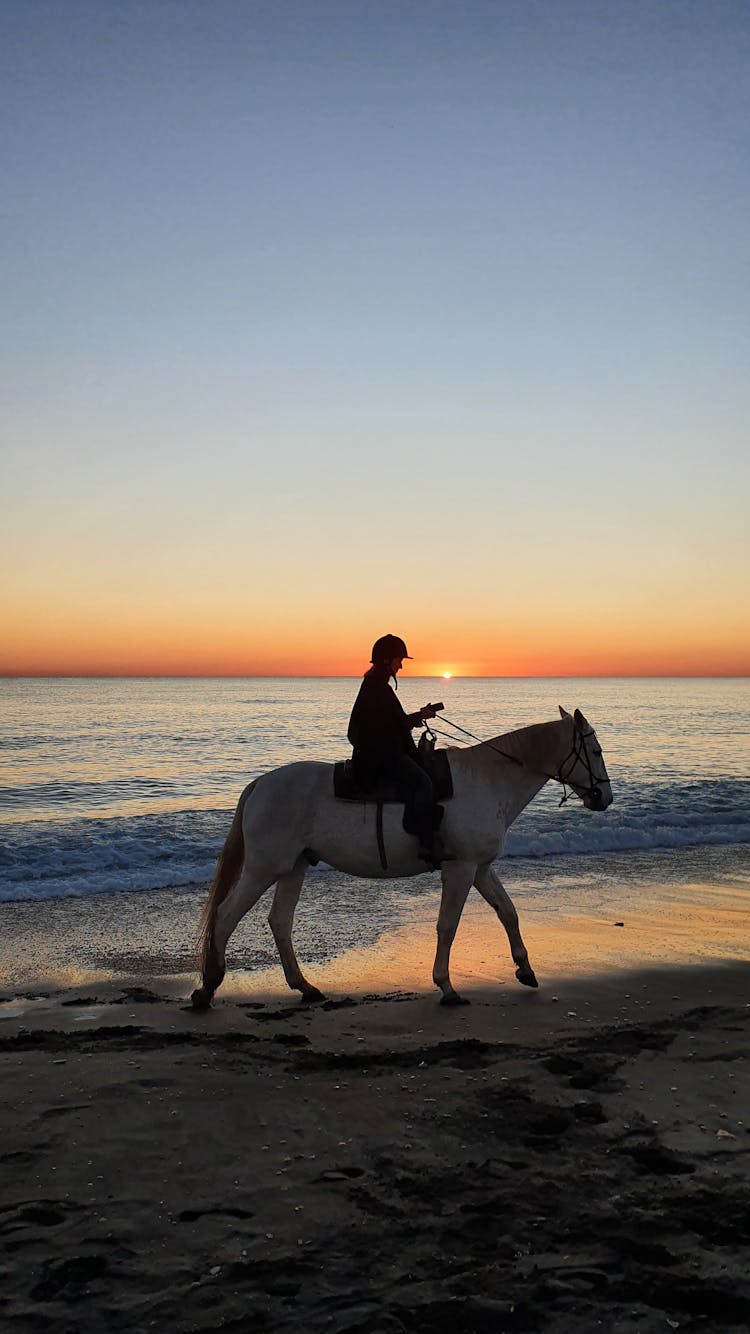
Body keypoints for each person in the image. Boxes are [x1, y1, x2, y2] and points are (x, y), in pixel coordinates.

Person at [347, 634, 443, 865]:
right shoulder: (378, 688)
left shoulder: (375, 686)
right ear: (387, 660)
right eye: (399, 660)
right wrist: (420, 716)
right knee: (423, 783)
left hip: (381, 752)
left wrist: (417, 717)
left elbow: (392, 722)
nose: (401, 665)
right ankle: (425, 843)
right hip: (381, 757)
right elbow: (394, 725)